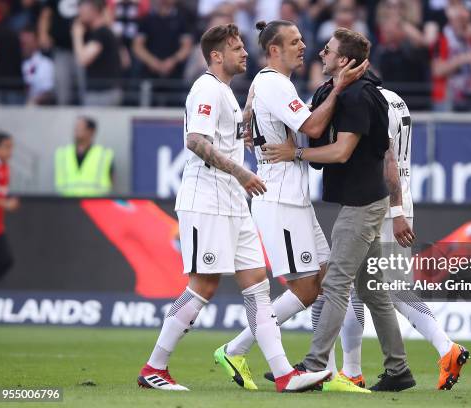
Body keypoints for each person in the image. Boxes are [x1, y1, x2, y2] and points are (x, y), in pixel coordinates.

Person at [137, 23, 330, 393]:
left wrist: (250, 111)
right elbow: (196, 140)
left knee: (257, 287)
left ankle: (285, 375)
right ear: (216, 55)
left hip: (234, 203)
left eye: (243, 46)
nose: (244, 53)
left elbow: (230, 132)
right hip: (206, 201)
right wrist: (242, 172)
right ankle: (154, 367)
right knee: (203, 287)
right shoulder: (206, 88)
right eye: (236, 48)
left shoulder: (224, 91)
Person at [212, 19, 369, 393]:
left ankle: (330, 373)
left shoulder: (273, 85)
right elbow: (313, 127)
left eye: (302, 40)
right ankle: (235, 349)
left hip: (295, 200)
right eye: (295, 42)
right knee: (306, 289)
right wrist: (340, 87)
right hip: (278, 200)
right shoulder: (272, 83)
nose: (303, 46)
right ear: (274, 50)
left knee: (332, 282)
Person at [263, 28, 416, 392]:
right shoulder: (336, 92)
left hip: (364, 205)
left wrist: (294, 153)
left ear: (344, 61)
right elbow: (315, 132)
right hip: (360, 200)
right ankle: (398, 370)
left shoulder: (360, 97)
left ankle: (315, 365)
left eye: (328, 51)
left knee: (334, 284)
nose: (320, 53)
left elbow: (340, 152)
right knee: (373, 291)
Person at [336, 86, 470, 390]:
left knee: (355, 286)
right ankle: (446, 348)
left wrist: (393, 209)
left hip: (378, 201)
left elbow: (387, 156)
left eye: (330, 53)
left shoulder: (366, 100)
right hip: (400, 199)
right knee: (394, 289)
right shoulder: (396, 98)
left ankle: (352, 371)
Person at [132, 0, 192, 106]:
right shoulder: (147, 19)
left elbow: (186, 46)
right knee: (147, 108)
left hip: (175, 74)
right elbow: (137, 46)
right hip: (149, 73)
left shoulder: (182, 19)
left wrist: (172, 61)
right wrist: (153, 62)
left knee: (175, 109)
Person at [72, 0, 122, 106]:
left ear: (94, 11)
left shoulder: (101, 33)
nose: (79, 13)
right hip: (101, 92)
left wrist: (77, 35)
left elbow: (83, 60)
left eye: (82, 9)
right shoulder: (99, 32)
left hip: (103, 94)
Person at [55, 116, 114, 196]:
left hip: (94, 204)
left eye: (80, 128)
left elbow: (111, 180)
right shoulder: (62, 154)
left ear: (91, 131)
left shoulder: (104, 155)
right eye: (75, 128)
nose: (76, 131)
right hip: (67, 203)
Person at [0, 131, 19, 286]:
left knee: (6, 260)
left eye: (11, 147)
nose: (10, 152)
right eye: (6, 147)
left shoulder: (5, 168)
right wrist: (6, 204)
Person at [19, 25, 55, 105]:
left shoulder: (46, 64)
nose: (24, 47)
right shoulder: (17, 63)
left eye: (27, 43)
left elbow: (48, 91)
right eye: (22, 44)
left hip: (39, 108)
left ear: (36, 42)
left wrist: (33, 101)